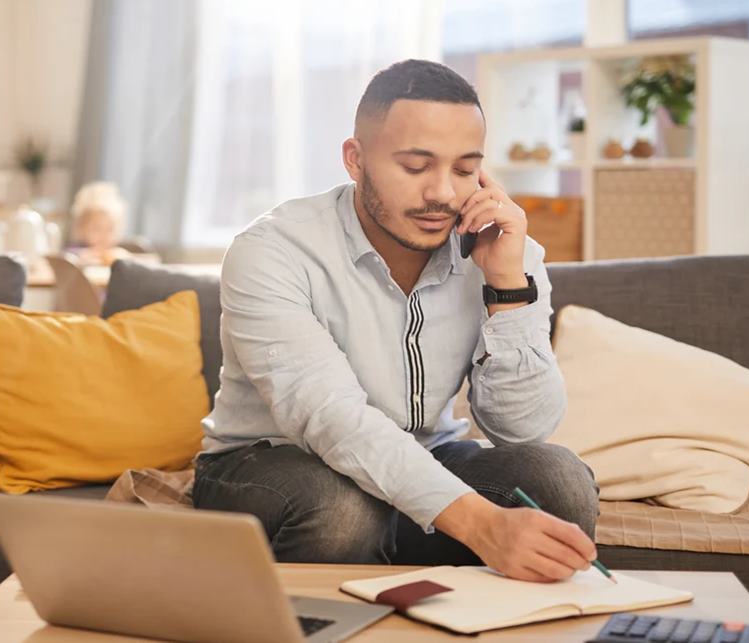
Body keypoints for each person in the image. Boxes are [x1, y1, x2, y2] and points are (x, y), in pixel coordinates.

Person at [193, 59, 600, 583]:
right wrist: (482, 525)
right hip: (271, 467)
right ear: (355, 160)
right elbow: (331, 419)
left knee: (558, 480)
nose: (444, 195)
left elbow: (524, 430)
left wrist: (505, 287)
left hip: (423, 457)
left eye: (463, 169)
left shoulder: (508, 253)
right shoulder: (274, 250)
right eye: (415, 167)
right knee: (343, 511)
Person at [67, 180, 133, 265]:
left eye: (110, 229)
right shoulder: (75, 251)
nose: (104, 236)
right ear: (82, 228)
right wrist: (82, 257)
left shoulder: (116, 253)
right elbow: (67, 259)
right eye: (96, 229)